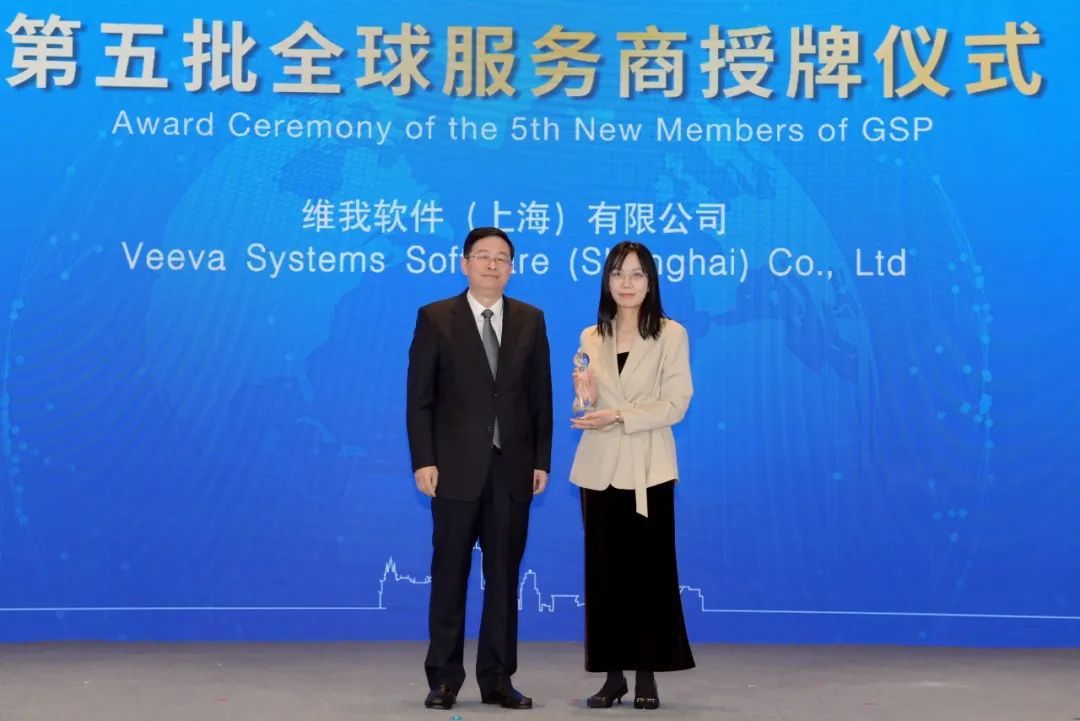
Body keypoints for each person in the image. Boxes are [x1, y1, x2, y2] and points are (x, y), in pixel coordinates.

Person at [406, 227, 553, 711]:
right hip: (452, 469)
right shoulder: (435, 317)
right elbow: (419, 400)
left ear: (512, 267)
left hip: (513, 470)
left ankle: (498, 678)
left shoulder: (531, 319)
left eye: (502, 258)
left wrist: (541, 461)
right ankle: (444, 679)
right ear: (465, 263)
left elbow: (540, 398)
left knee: (504, 579)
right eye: (483, 256)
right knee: (449, 574)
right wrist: (424, 460)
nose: (493, 265)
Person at [569, 240, 695, 710]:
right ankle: (613, 676)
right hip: (599, 469)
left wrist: (620, 415)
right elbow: (588, 401)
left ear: (650, 283)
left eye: (637, 274)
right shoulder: (591, 336)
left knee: (649, 576)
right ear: (607, 281)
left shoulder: (670, 333)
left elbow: (676, 404)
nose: (627, 283)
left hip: (648, 468)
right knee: (604, 576)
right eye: (618, 273)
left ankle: (646, 674)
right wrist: (584, 398)